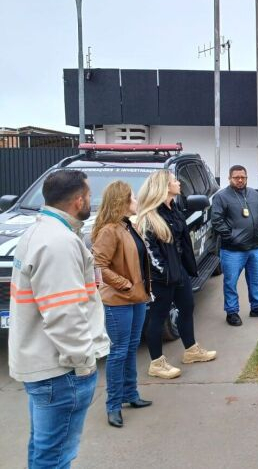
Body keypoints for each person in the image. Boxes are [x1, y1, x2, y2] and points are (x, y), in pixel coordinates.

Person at [9, 170, 110, 468]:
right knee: (55, 456)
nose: (90, 200)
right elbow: (64, 313)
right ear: (78, 200)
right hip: (60, 369)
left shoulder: (41, 232)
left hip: (46, 365)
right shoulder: (58, 242)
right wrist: (83, 363)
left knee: (43, 449)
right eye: (89, 195)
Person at [137, 170, 217, 379]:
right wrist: (165, 274)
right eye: (174, 180)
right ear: (164, 187)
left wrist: (185, 269)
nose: (178, 183)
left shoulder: (174, 209)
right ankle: (157, 363)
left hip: (178, 271)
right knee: (157, 318)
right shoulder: (149, 217)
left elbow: (182, 242)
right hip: (161, 277)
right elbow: (151, 253)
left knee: (188, 307)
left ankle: (191, 350)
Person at [92, 181, 153, 429]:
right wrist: (123, 284)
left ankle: (131, 394)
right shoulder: (109, 230)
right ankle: (113, 405)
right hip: (119, 300)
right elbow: (99, 265)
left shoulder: (128, 226)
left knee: (131, 347)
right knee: (119, 352)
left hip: (137, 298)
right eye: (133, 198)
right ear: (121, 201)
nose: (136, 201)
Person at [211, 165, 258, 327]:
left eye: (243, 177)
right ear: (229, 178)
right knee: (231, 282)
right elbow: (217, 221)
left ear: (246, 177)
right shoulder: (221, 197)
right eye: (236, 177)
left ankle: (257, 307)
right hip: (233, 250)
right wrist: (232, 237)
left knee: (257, 279)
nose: (240, 180)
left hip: (254, 247)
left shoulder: (254, 194)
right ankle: (232, 312)